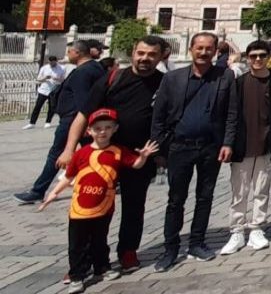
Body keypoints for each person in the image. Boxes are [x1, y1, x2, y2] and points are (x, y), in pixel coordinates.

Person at [50, 36, 164, 273]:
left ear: (161, 56)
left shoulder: (164, 83)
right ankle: (88, 259)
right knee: (93, 207)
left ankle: (128, 251)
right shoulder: (112, 78)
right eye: (141, 53)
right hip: (102, 155)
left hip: (137, 157)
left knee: (135, 206)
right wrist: (70, 149)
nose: (145, 58)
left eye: (152, 54)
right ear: (133, 52)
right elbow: (82, 116)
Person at [39, 108, 159, 293]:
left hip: (104, 208)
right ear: (89, 131)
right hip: (80, 209)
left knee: (100, 241)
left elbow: (135, 164)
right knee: (77, 244)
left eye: (107, 127)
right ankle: (77, 276)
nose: (103, 131)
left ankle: (102, 268)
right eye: (98, 128)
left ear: (115, 129)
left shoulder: (118, 151)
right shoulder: (82, 153)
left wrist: (143, 156)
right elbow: (68, 177)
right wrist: (53, 194)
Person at [149, 32, 238, 271]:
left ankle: (197, 242)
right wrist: (159, 148)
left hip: (210, 146)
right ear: (191, 49)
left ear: (215, 51)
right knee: (176, 199)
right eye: (199, 48)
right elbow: (159, 116)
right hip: (180, 146)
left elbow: (232, 114)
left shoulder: (225, 77)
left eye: (209, 48)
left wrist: (228, 143)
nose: (204, 52)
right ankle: (170, 248)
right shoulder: (173, 78)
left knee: (205, 196)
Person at [221, 40, 271, 255]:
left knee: (262, 189)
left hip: (267, 144)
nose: (258, 59)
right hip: (243, 144)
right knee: (239, 191)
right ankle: (236, 230)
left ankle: (256, 228)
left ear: (269, 56)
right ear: (247, 58)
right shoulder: (240, 83)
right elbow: (231, 114)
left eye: (262, 55)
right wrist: (228, 142)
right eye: (253, 56)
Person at [15, 41, 105, 206]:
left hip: (73, 120)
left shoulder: (83, 72)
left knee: (56, 155)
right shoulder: (94, 68)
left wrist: (84, 124)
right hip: (77, 119)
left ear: (77, 52)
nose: (67, 55)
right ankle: (103, 183)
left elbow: (83, 101)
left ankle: (37, 191)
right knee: (93, 152)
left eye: (69, 51)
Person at [27, 55, 65, 129]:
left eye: (53, 63)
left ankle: (48, 122)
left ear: (56, 62)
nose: (52, 64)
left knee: (52, 107)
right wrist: (45, 78)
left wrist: (57, 78)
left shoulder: (62, 68)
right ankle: (32, 123)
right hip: (44, 90)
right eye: (50, 63)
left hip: (54, 90)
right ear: (49, 62)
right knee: (38, 106)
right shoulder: (44, 68)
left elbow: (63, 80)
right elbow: (38, 79)